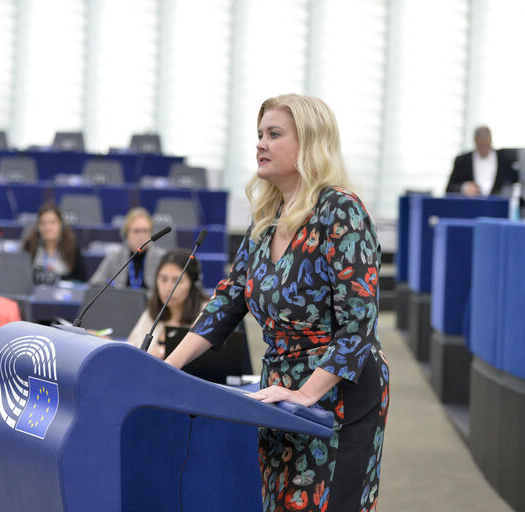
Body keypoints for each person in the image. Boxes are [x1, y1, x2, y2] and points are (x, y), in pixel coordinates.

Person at [165, 94, 389, 511]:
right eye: (259, 135)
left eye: (274, 134)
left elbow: (359, 327)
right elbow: (227, 303)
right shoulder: (266, 217)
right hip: (279, 393)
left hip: (336, 395)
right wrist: (163, 369)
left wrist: (306, 394)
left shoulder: (341, 210)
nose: (260, 144)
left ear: (310, 143)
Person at [126, 248, 209, 359]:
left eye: (177, 281)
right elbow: (131, 349)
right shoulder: (152, 311)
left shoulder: (207, 315)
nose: (168, 288)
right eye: (163, 279)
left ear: (193, 284)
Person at [88, 207, 165, 290]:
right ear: (126, 234)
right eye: (136, 231)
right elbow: (95, 283)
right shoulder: (115, 256)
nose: (141, 236)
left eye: (145, 231)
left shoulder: (161, 258)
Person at [22, 202, 87, 284]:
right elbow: (22, 275)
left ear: (61, 225)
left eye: (52, 223)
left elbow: (81, 279)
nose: (48, 227)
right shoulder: (30, 245)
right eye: (43, 223)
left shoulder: (72, 247)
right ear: (38, 226)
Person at [446, 125, 517, 196]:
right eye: (480, 140)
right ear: (475, 140)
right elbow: (450, 187)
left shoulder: (505, 159)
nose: (483, 143)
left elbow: (514, 183)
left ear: (490, 139)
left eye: (485, 140)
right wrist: (465, 187)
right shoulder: (462, 160)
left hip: (498, 204)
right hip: (471, 204)